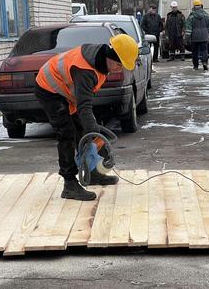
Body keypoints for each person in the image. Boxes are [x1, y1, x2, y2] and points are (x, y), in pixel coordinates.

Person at [34, 34, 138, 201]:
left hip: (66, 93)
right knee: (66, 133)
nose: (120, 69)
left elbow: (84, 102)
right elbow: (84, 106)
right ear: (110, 56)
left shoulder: (101, 62)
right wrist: (92, 133)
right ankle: (69, 185)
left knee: (82, 129)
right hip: (49, 90)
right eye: (119, 64)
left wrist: (89, 131)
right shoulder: (85, 70)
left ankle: (93, 173)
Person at [185, 0, 209, 71]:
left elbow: (188, 28)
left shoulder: (191, 16)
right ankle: (205, 62)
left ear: (194, 7)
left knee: (195, 52)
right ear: (201, 6)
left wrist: (187, 37)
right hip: (204, 36)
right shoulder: (206, 15)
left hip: (194, 37)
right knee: (204, 50)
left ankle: (196, 66)